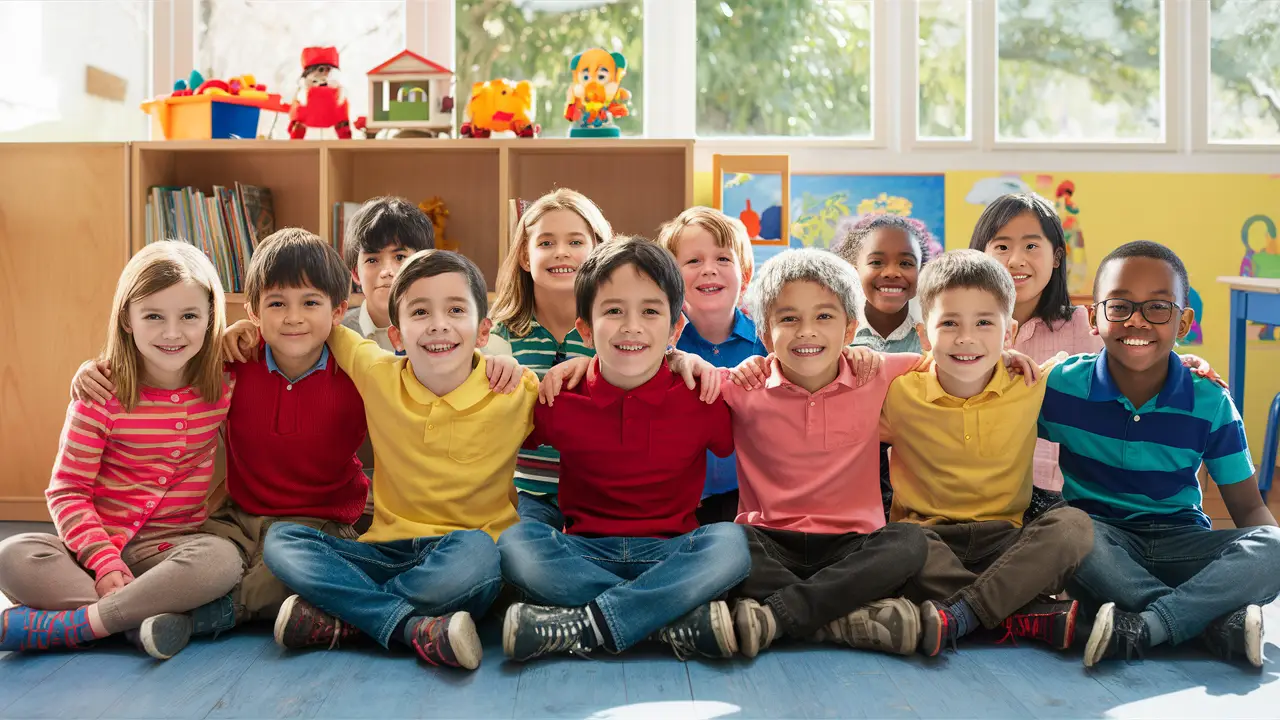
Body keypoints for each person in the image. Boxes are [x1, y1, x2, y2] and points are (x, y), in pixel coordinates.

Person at [67, 230, 370, 656]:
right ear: (252, 310)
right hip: (238, 513)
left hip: (318, 520)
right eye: (277, 304)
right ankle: (168, 605)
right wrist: (92, 368)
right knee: (210, 561)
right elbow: (165, 358)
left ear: (339, 310)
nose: (293, 317)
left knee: (291, 570)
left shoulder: (358, 371)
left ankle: (203, 617)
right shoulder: (233, 363)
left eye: (311, 303)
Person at [261, 250, 540, 672]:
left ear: (484, 331)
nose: (438, 324)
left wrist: (675, 358)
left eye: (456, 309)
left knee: (481, 553)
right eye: (420, 311)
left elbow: (584, 393)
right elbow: (322, 326)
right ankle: (412, 628)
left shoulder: (515, 391)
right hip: (384, 552)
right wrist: (244, 328)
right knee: (282, 541)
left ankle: (350, 620)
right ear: (396, 336)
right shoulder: (378, 374)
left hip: (463, 559)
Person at [499, 236, 750, 662]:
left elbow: (756, 396)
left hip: (671, 553)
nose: (631, 326)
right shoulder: (560, 398)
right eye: (613, 311)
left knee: (731, 544)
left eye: (650, 312)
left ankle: (583, 624)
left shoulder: (700, 395)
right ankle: (663, 621)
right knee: (515, 543)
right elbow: (501, 427)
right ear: (584, 328)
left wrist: (699, 366)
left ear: (675, 329)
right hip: (583, 551)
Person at [1040, 240, 1280, 669]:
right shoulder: (1059, 387)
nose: (1138, 321)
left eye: (1158, 308)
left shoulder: (1209, 401)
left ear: (1183, 322)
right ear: (1094, 317)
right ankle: (1206, 623)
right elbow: (997, 419)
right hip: (1101, 548)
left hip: (1182, 545)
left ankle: (1148, 625)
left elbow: (1248, 507)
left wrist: (1268, 564)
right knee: (1064, 528)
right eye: (1120, 306)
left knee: (1277, 545)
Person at [0, 242, 243, 659]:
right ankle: (139, 623)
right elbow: (67, 491)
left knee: (221, 560)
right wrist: (104, 561)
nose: (172, 332)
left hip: (171, 553)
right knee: (12, 555)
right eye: (153, 316)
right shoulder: (101, 392)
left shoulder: (225, 385)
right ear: (127, 320)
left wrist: (244, 333)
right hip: (89, 553)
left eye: (189, 316)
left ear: (210, 320)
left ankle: (82, 625)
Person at [880, 249, 1094, 656]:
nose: (967, 338)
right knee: (897, 544)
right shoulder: (898, 392)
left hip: (1006, 543)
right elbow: (835, 385)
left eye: (984, 323)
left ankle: (961, 615)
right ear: (924, 334)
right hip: (929, 542)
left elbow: (1105, 374)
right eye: (949, 323)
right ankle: (1020, 614)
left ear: (1008, 333)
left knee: (1073, 525)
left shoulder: (1032, 385)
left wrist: (1181, 363)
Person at [722, 248, 929, 658]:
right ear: (765, 334)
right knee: (721, 544)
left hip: (852, 545)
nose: (807, 331)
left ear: (850, 329)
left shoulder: (879, 372)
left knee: (909, 542)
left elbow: (953, 364)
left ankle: (778, 617)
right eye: (788, 319)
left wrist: (1008, 357)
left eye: (824, 317)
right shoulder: (741, 386)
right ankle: (842, 620)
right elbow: (677, 369)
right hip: (768, 541)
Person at [485, 188, 612, 527]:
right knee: (520, 555)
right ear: (525, 258)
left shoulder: (616, 334)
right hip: (526, 495)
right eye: (545, 243)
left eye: (575, 242)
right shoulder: (500, 337)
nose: (561, 253)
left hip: (602, 495)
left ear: (598, 250)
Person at [658, 206, 767, 524]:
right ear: (670, 280)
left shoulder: (768, 340)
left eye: (723, 259)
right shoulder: (660, 346)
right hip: (678, 501)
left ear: (744, 276)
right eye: (693, 261)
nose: (709, 270)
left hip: (752, 502)